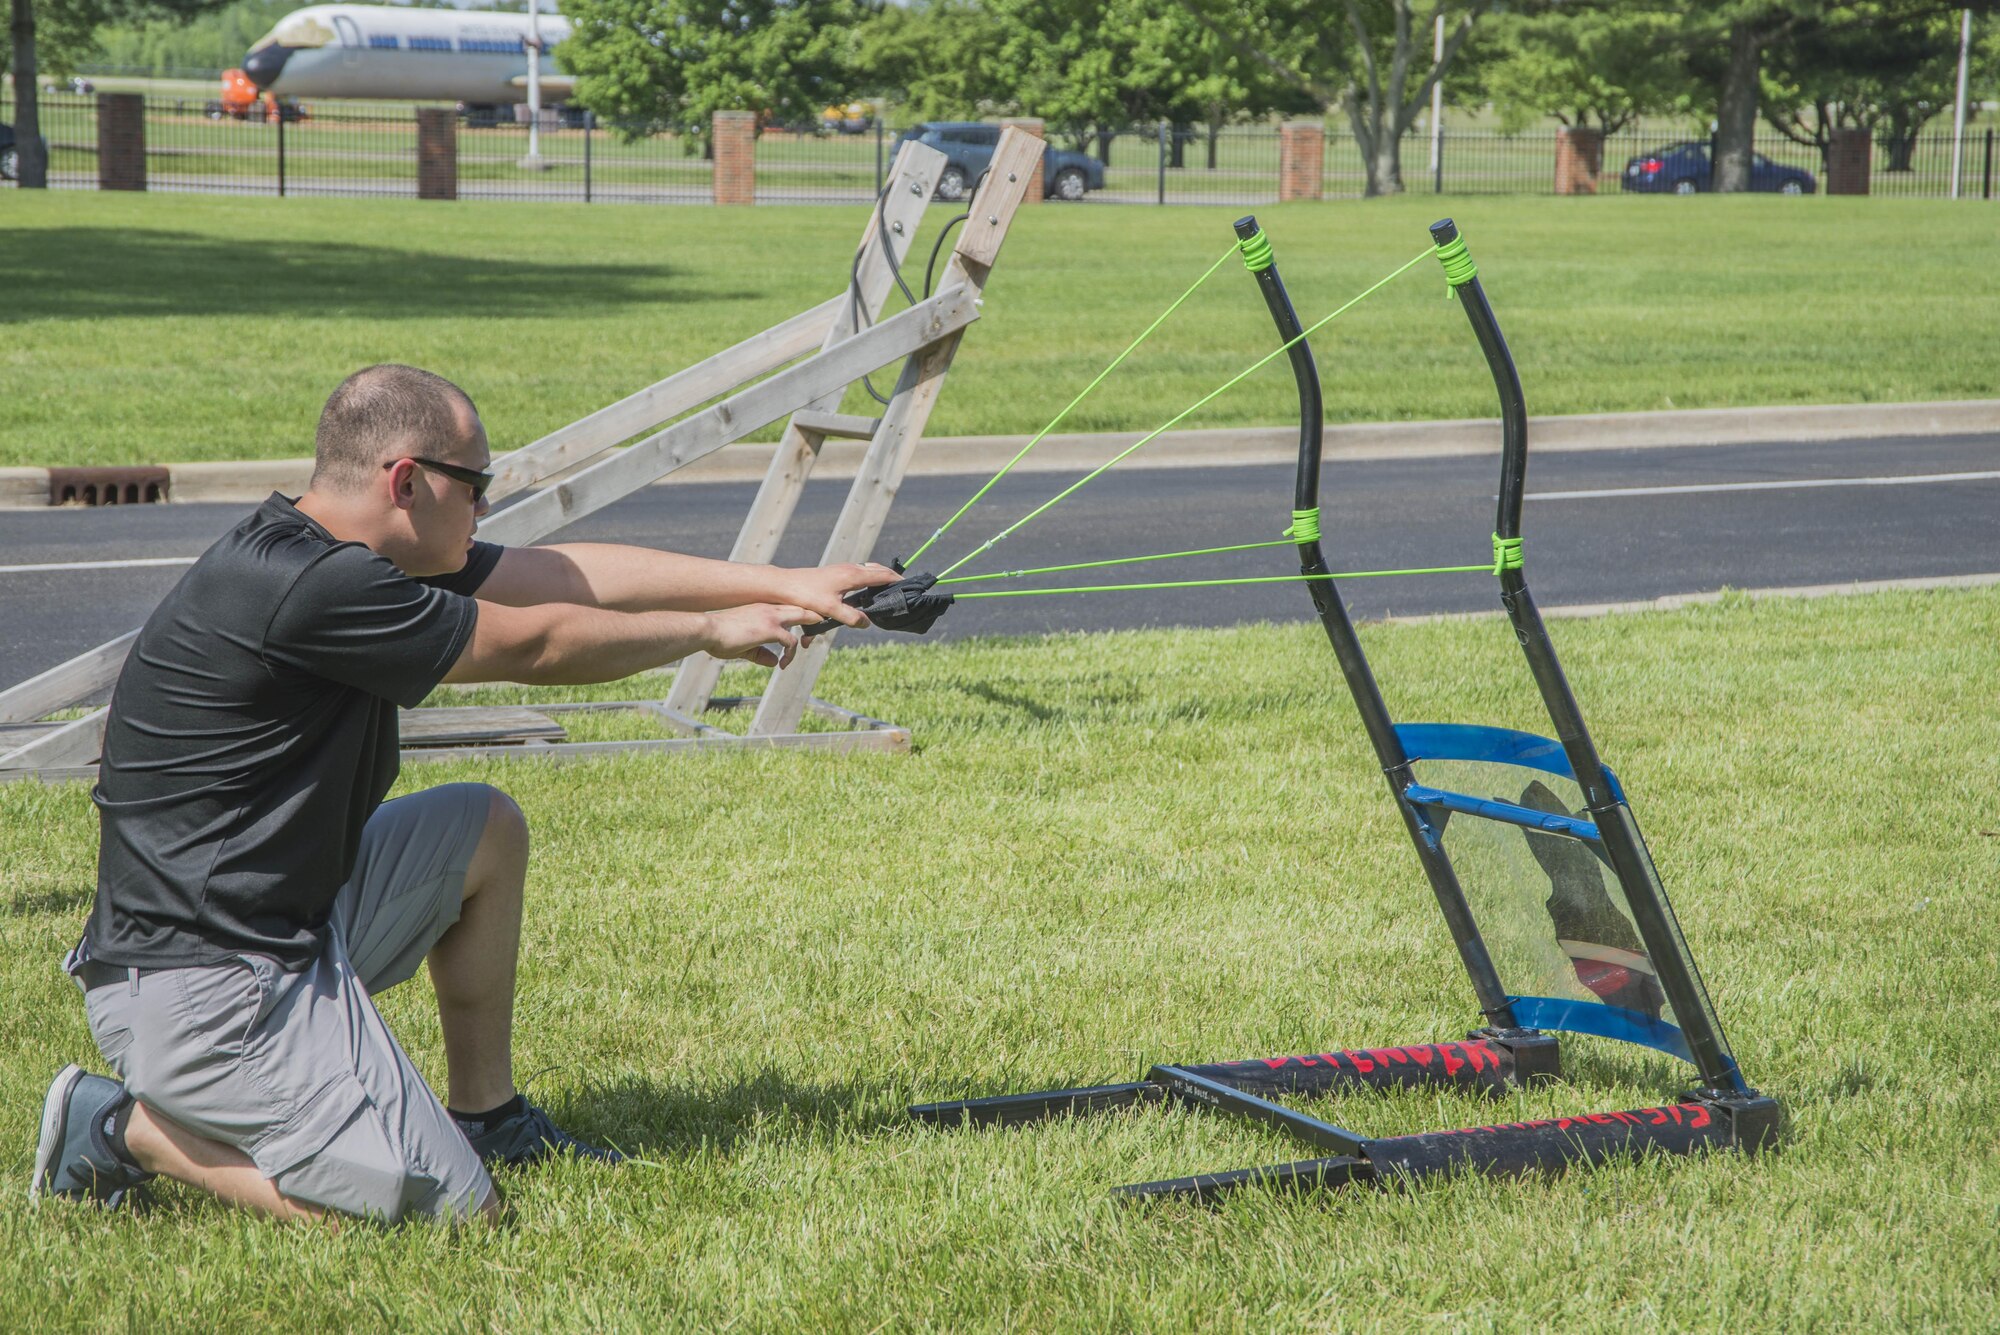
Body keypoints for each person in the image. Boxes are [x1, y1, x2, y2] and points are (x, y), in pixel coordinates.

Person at [30, 364, 895, 1224]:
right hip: (202, 984)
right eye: (476, 486)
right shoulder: (319, 586)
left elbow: (561, 577)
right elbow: (538, 644)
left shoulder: (339, 549)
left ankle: (486, 1116)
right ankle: (116, 1125)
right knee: (444, 1217)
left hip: (281, 921)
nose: (484, 508)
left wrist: (782, 584)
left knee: (484, 827)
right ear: (407, 480)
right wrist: (712, 632)